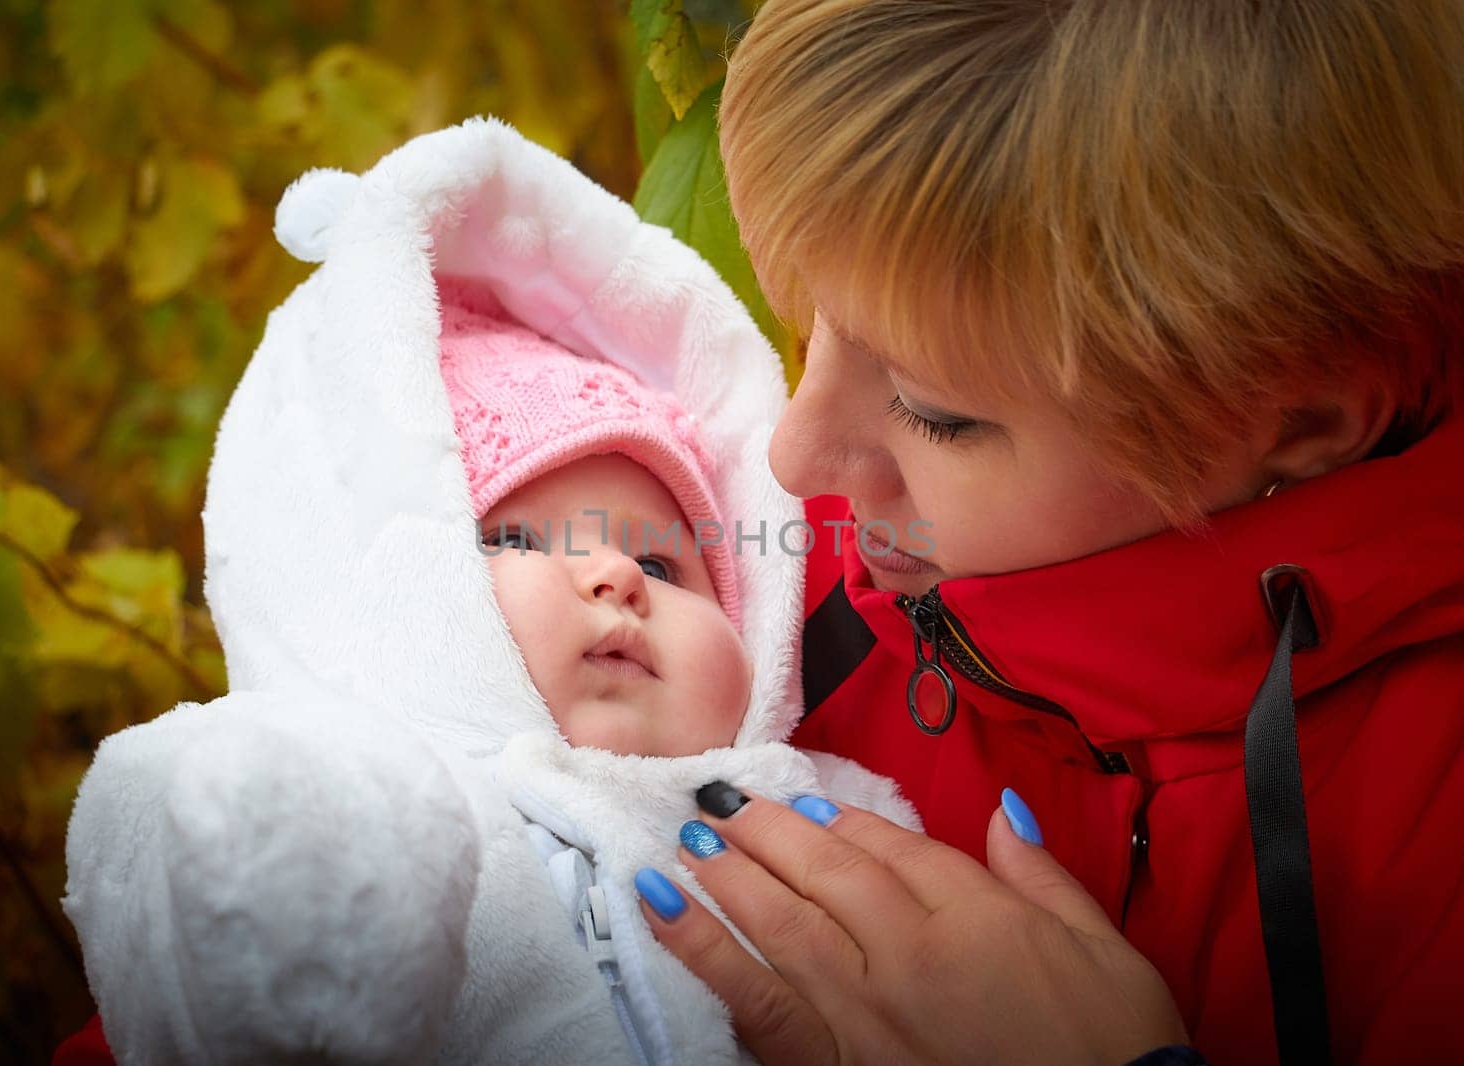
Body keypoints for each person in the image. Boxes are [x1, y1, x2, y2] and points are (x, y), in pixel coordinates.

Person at [630, 1, 1464, 1063]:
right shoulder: (757, 577)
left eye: (934, 410)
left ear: (1302, 423)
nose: (793, 458)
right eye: (808, 328)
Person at [56, 121, 917, 1064]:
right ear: (391, 593)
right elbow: (164, 834)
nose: (617, 575)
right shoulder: (393, 827)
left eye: (666, 566)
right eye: (516, 537)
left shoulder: (832, 814)